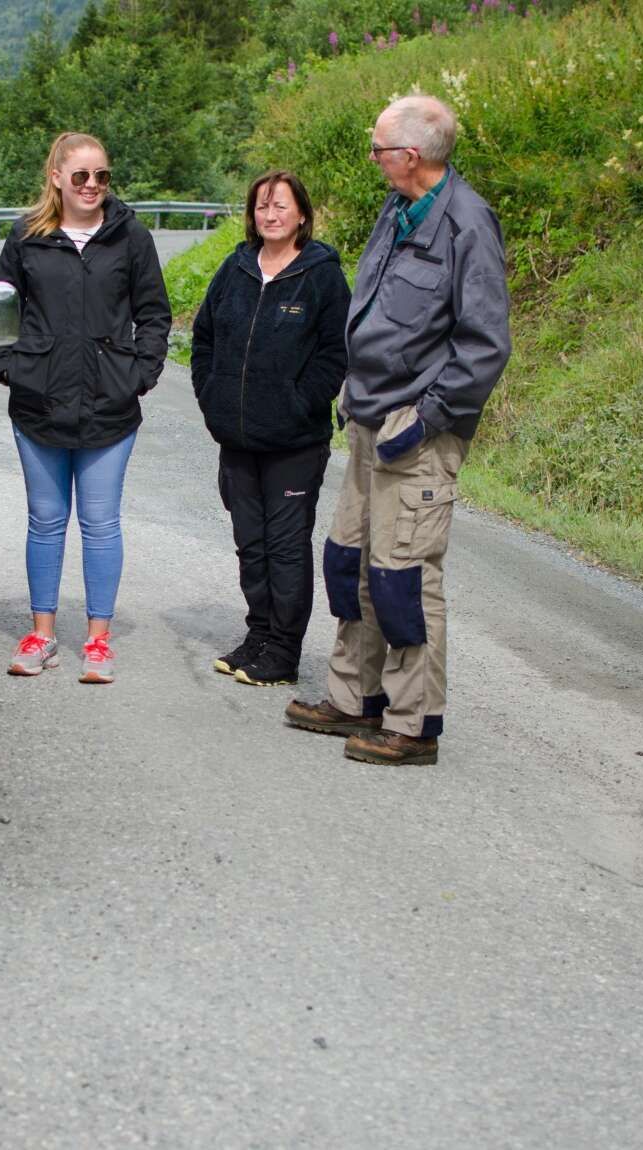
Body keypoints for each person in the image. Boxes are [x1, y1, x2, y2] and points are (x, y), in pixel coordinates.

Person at [285, 95, 511, 766]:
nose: (373, 157)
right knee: (351, 561)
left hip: (417, 431)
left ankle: (413, 726)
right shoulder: (398, 207)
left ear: (410, 156)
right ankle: (355, 698)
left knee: (404, 578)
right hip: (367, 416)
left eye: (379, 148)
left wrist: (429, 417)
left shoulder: (467, 224)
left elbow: (485, 345)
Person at [0, 132, 171, 684]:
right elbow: (1, 309)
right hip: (38, 403)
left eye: (102, 176)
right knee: (45, 521)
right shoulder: (27, 236)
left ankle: (97, 640)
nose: (93, 186)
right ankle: (41, 634)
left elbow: (154, 314)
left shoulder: (131, 236)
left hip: (110, 406)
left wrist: (139, 375)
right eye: (82, 176)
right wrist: (9, 366)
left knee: (100, 523)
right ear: (57, 178)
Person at [191, 170, 349, 688]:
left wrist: (299, 402)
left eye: (281, 205)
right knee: (251, 545)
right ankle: (258, 636)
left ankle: (283, 651)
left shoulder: (321, 275)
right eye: (262, 206)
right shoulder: (236, 268)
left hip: (294, 443)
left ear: (301, 214)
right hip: (237, 439)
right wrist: (212, 396)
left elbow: (336, 354)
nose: (270, 214)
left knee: (285, 547)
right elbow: (204, 338)